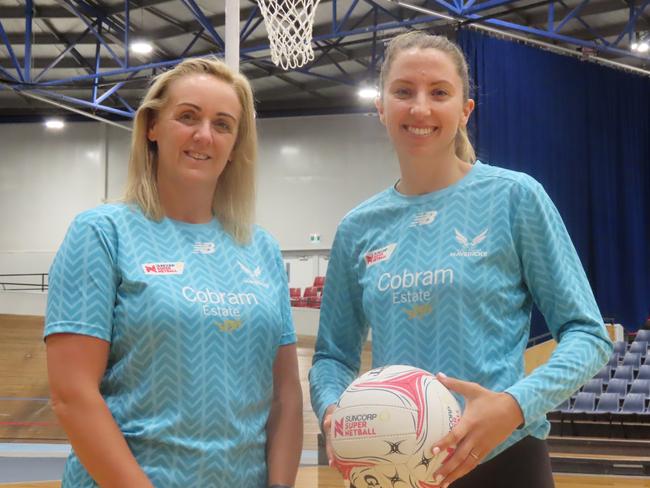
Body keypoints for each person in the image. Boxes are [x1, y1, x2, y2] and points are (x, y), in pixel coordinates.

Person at [309, 31, 612, 488]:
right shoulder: (359, 227)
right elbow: (332, 355)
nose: (420, 108)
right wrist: (334, 411)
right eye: (403, 92)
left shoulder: (514, 197)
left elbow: (588, 334)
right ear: (381, 108)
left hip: (505, 459)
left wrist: (514, 405)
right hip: (395, 468)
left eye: (440, 93)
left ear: (464, 110)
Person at [45, 57, 302, 488]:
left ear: (236, 143)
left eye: (223, 124)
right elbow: (72, 396)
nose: (204, 135)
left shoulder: (262, 249)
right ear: (152, 127)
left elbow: (285, 396)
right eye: (187, 117)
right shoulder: (103, 233)